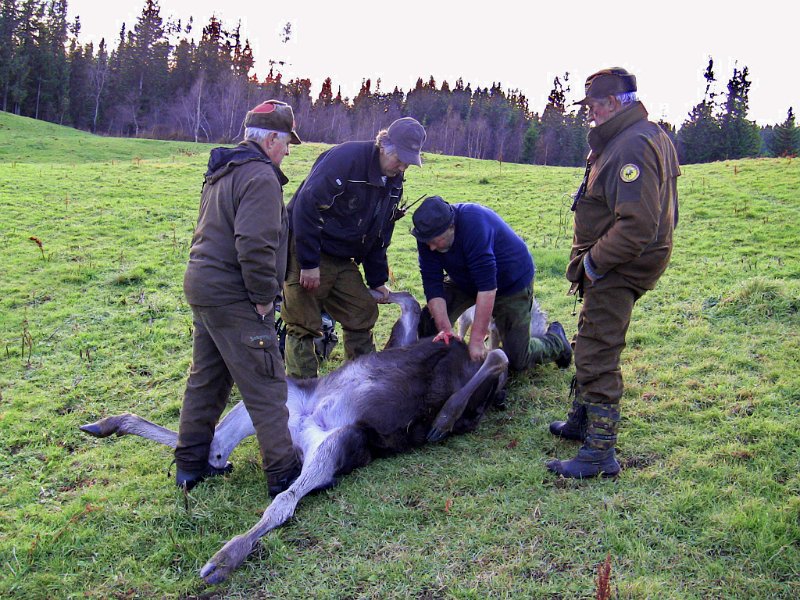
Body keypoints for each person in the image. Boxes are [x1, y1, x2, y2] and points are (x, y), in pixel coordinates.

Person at [546, 67, 680, 479]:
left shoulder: (630, 145)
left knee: (596, 350)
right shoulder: (640, 134)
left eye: (592, 105)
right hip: (621, 260)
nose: (588, 113)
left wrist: (593, 263)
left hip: (619, 265)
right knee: (590, 335)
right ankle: (581, 419)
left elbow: (637, 225)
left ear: (611, 103)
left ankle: (600, 451)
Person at [175, 100, 303, 497]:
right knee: (266, 385)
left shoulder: (224, 170)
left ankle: (190, 465)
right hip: (236, 296)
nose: (287, 152)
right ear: (271, 140)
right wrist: (264, 298)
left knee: (207, 380)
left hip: (204, 287)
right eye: (287, 143)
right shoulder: (261, 177)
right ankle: (284, 473)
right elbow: (254, 243)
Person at [281, 117, 427, 378]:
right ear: (384, 145)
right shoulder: (346, 159)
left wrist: (377, 280)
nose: (403, 167)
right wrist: (309, 263)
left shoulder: (394, 180)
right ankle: (304, 390)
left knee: (361, 311)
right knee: (302, 323)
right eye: (400, 159)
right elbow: (306, 207)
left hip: (342, 257)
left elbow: (380, 231)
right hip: (308, 247)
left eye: (408, 162)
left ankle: (362, 383)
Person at [411, 195, 572, 370]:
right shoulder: (427, 236)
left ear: (451, 226)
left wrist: (477, 340)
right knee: (429, 323)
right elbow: (432, 283)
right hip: (465, 279)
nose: (431, 247)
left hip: (510, 282)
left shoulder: (474, 225)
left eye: (435, 241)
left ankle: (556, 340)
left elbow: (487, 288)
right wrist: (445, 329)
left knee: (517, 359)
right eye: (428, 241)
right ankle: (443, 368)